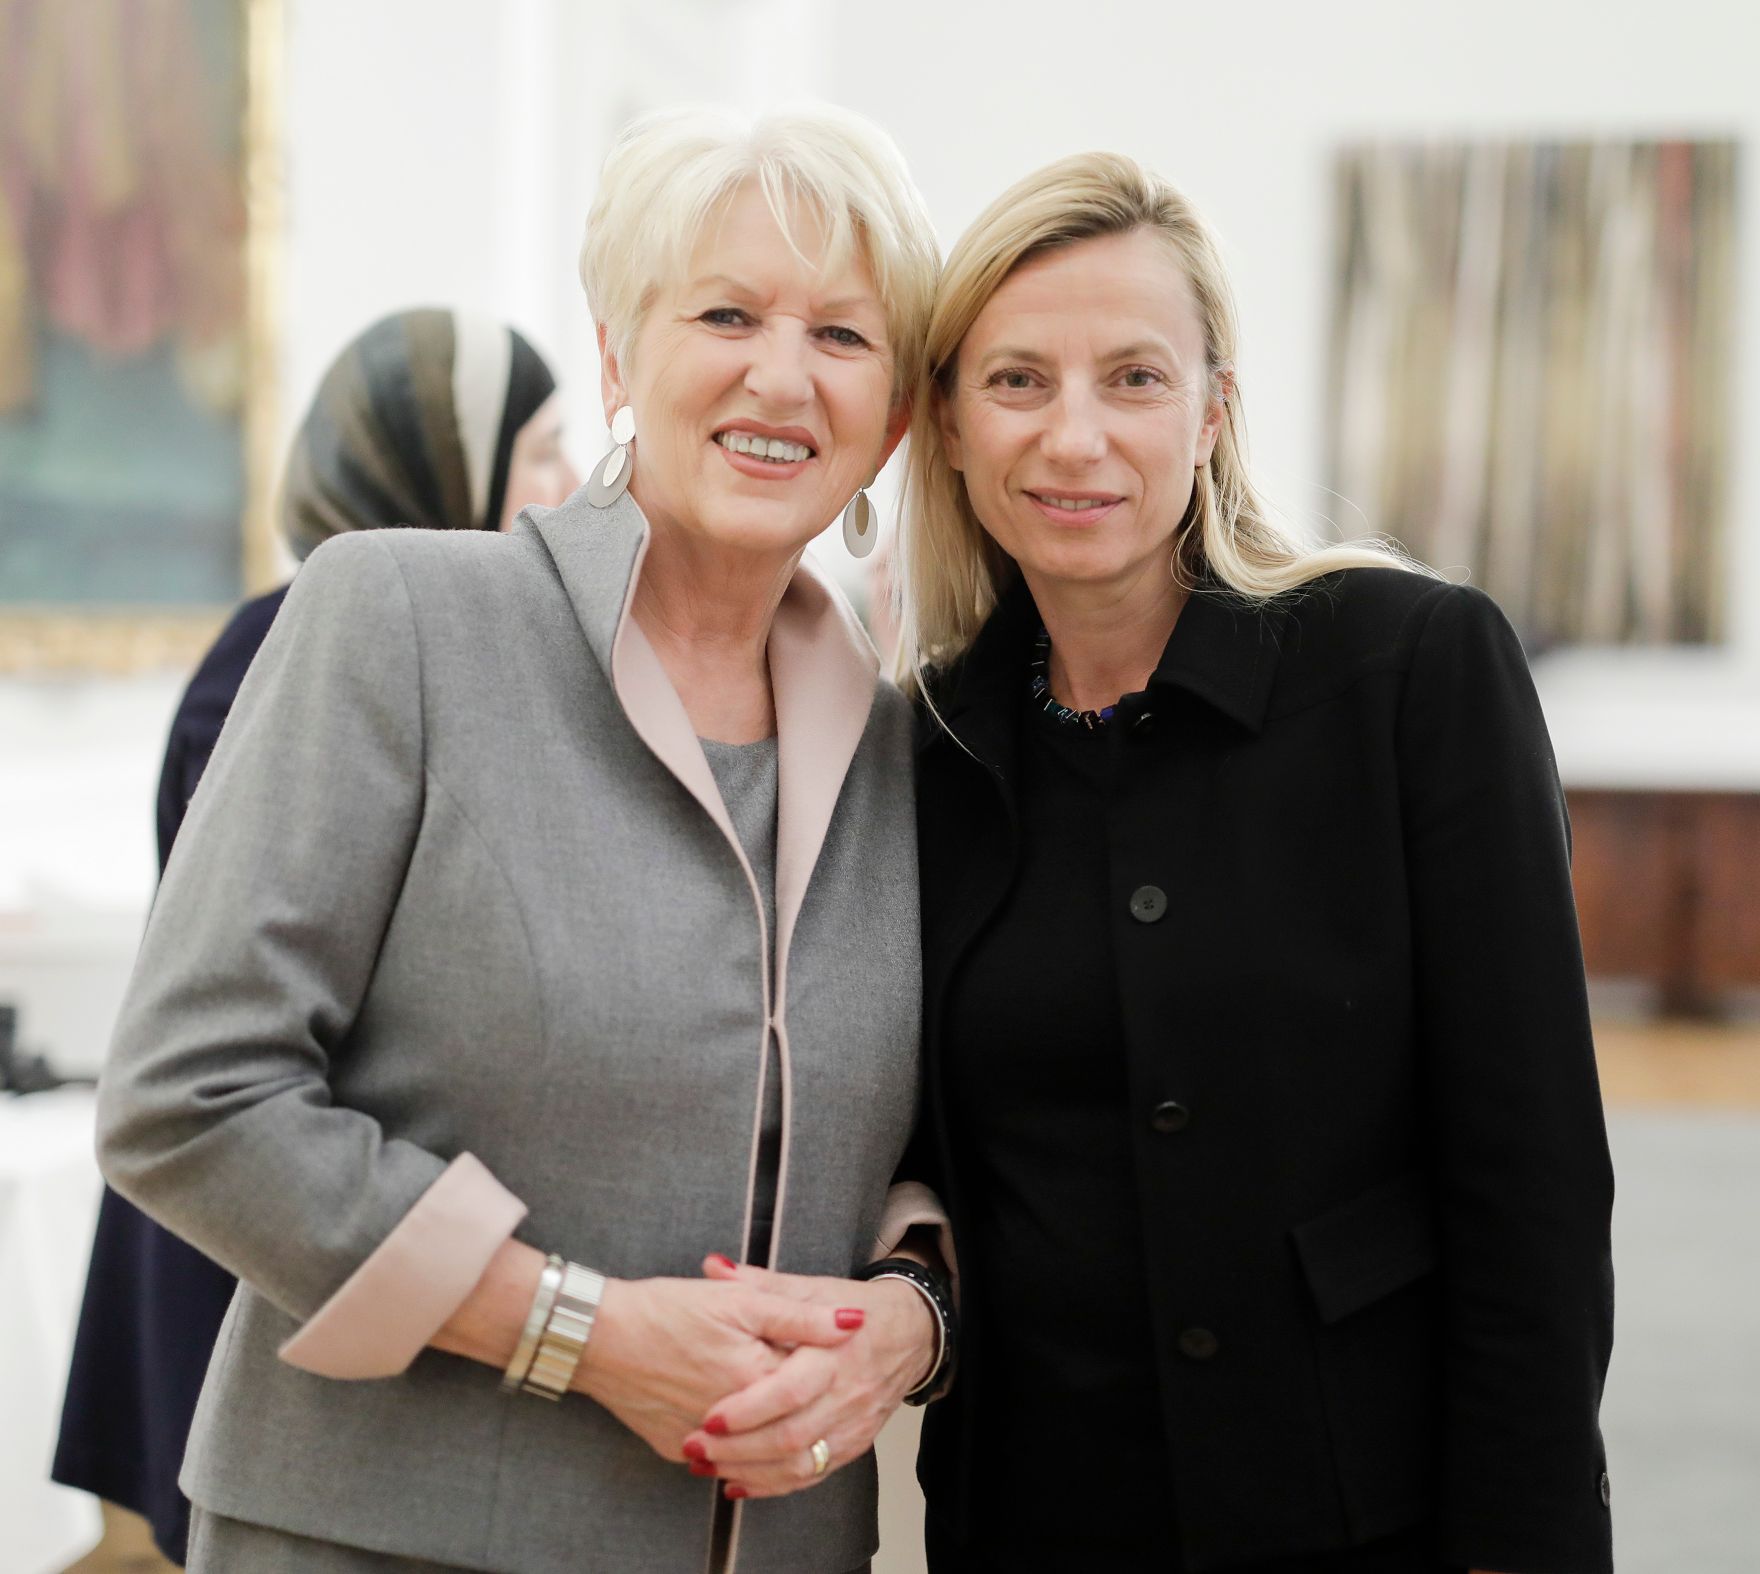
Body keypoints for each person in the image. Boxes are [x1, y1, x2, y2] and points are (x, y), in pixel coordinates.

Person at [92, 106, 948, 1573]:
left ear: (897, 413)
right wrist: (587, 1331)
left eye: (845, 335)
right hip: (384, 1538)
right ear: (618, 357)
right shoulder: (401, 621)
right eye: (726, 312)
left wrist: (912, 1322)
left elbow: (949, 1138)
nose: (782, 373)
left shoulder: (908, 743)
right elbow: (190, 1093)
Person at [894, 152, 1615, 1573]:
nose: (1076, 436)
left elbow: (1530, 1182)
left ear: (1215, 409)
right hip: (1039, 1517)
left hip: (1365, 1512)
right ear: (953, 427)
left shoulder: (1410, 668)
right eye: (1020, 379)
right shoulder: (925, 752)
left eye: (1136, 378)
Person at [52, 307, 576, 1566]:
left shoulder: (471, 654)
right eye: (544, 451)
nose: (572, 487)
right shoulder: (285, 649)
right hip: (268, 1234)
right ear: (443, 465)